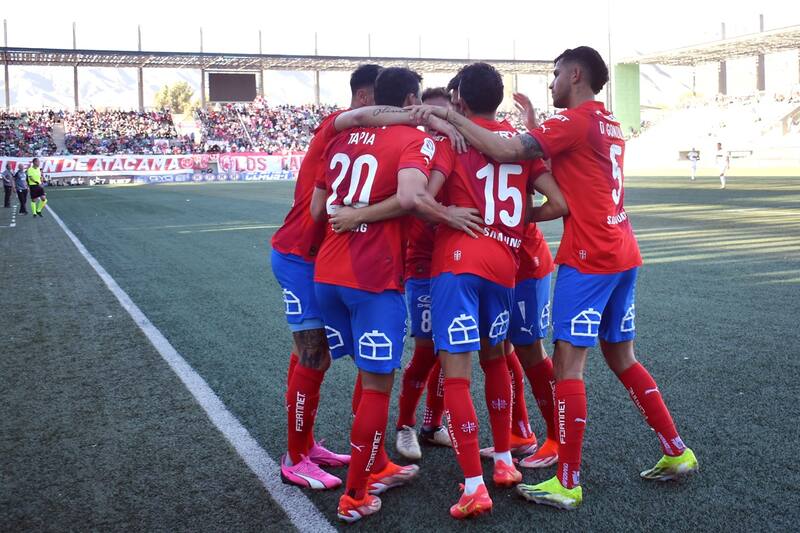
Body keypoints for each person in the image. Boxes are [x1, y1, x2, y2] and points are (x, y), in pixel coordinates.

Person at [415, 45, 698, 511]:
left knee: (568, 366)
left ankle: (567, 481)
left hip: (589, 256)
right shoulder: (609, 123)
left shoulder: (576, 120)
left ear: (576, 74)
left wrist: (449, 118)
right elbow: (548, 162)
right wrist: (524, 130)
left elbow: (505, 149)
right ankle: (675, 449)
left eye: (555, 74)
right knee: (623, 357)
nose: (551, 83)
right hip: (623, 248)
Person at [309, 67, 481, 523]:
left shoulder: (341, 136)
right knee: (376, 388)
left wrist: (352, 213)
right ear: (410, 100)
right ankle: (356, 496)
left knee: (367, 382)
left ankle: (377, 465)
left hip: (328, 273)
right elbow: (410, 199)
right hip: (373, 279)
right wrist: (445, 213)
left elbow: (316, 207)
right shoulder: (414, 140)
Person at [419, 63, 567, 519]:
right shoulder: (519, 144)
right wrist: (517, 219)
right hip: (506, 265)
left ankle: (473, 486)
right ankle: (504, 462)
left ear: (459, 96)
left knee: (457, 372)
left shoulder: (452, 139)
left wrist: (448, 216)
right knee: (496, 357)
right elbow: (559, 203)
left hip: (458, 264)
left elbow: (423, 202)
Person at [271, 64, 383, 492]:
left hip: (321, 260)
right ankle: (295, 457)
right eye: (384, 100)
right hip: (297, 256)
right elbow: (353, 120)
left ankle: (307, 445)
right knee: (314, 353)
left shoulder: (364, 141)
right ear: (363, 97)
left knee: (314, 353)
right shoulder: (334, 126)